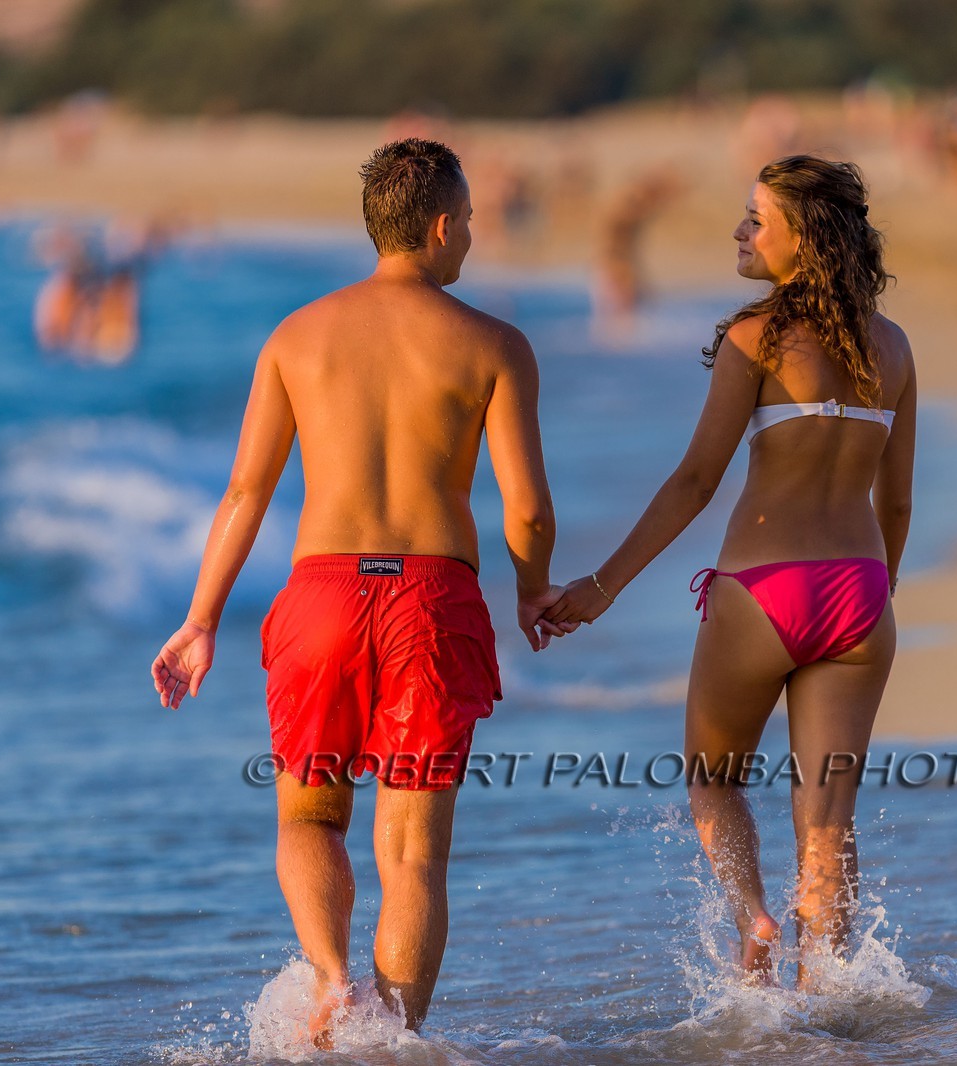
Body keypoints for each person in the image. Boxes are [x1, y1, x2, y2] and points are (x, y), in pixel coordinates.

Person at [149, 138, 566, 1046]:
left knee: (307, 812)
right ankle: (397, 1044)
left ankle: (334, 980)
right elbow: (528, 511)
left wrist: (200, 619)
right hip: (430, 596)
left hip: (322, 598)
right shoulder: (494, 343)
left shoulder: (298, 335)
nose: (474, 238)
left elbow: (245, 494)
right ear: (445, 224)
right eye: (471, 222)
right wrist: (534, 591)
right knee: (412, 853)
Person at [545, 155, 916, 988]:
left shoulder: (757, 338)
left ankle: (753, 917)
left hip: (763, 593)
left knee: (714, 780)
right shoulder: (891, 348)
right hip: (861, 596)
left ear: (803, 239)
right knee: (828, 828)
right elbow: (896, 506)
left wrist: (600, 589)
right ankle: (829, 995)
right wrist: (869, 602)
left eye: (757, 218)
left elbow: (695, 482)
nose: (741, 231)